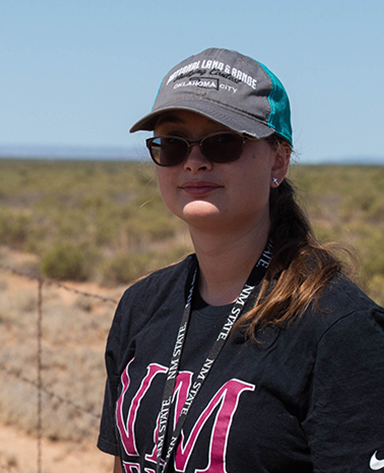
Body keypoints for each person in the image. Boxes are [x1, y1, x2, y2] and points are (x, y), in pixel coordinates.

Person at [98, 47, 384, 472]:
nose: (194, 162)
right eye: (173, 144)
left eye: (223, 142)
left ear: (279, 160)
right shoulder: (142, 305)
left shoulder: (340, 330)